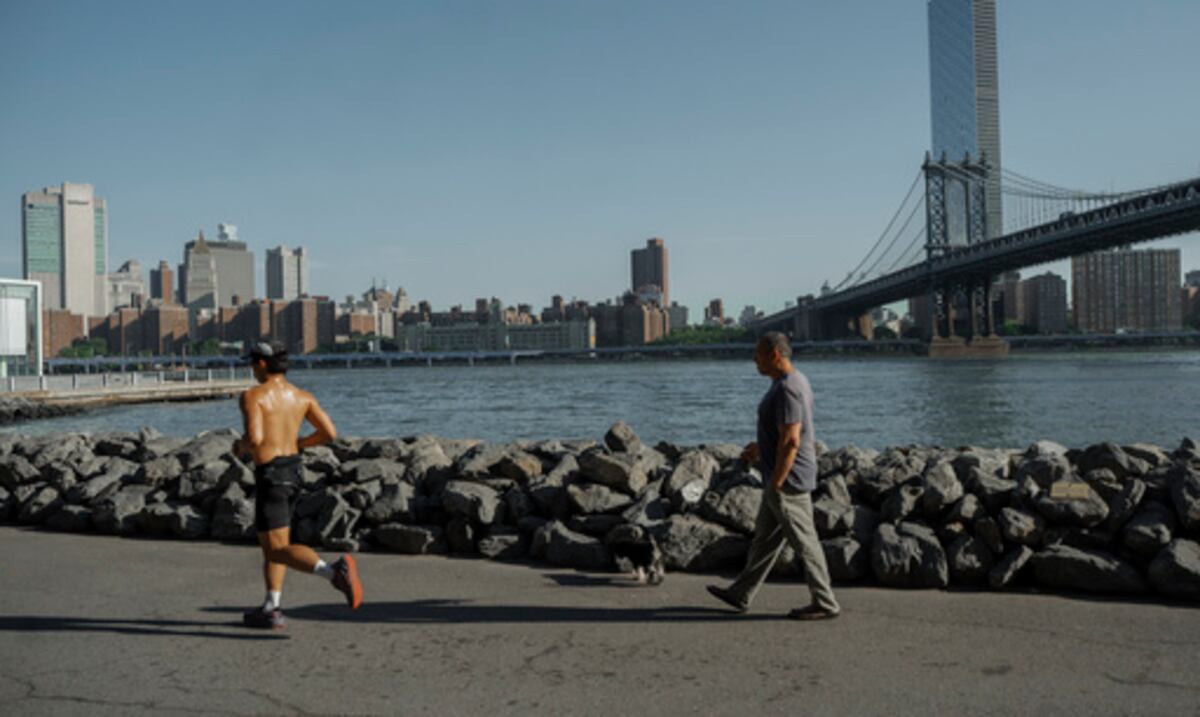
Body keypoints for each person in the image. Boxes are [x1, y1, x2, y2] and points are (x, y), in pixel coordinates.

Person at [707, 332, 841, 620]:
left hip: (787, 480)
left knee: (805, 543)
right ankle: (741, 593)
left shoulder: (787, 389)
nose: (754, 360)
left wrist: (778, 482)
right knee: (764, 540)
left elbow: (792, 439)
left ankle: (825, 602)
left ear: (775, 355)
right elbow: (787, 431)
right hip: (779, 475)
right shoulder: (794, 381)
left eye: (758, 354)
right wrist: (760, 447)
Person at [234, 340, 363, 630]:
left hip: (271, 475)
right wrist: (299, 443)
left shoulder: (253, 396)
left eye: (253, 363)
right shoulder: (302, 396)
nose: (252, 369)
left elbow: (254, 439)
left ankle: (334, 572)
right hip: (294, 472)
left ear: (263, 364)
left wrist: (238, 446)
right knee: (275, 544)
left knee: (277, 549)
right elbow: (329, 432)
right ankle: (271, 606)